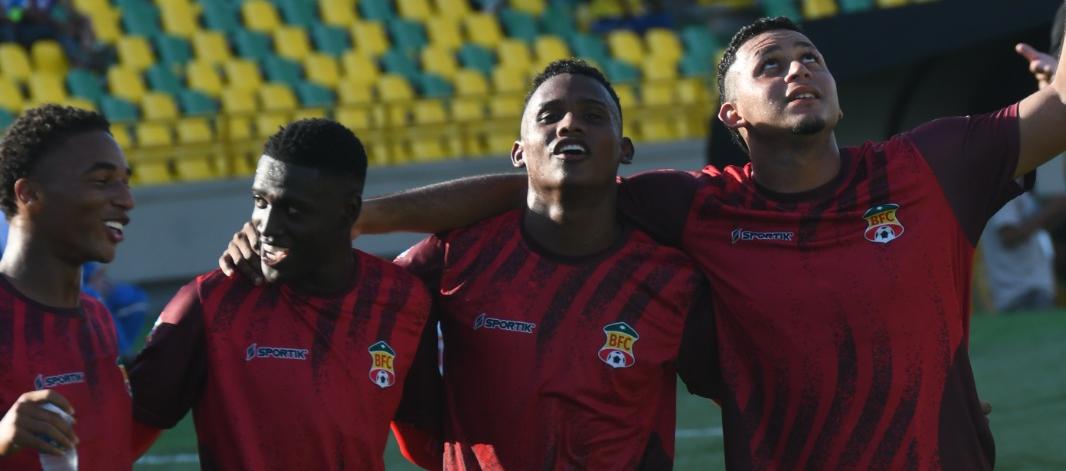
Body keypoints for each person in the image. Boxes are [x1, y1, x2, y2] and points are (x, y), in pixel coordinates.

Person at [229, 16, 1066, 469]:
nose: (798, 69)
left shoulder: (928, 164)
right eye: (770, 63)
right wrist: (359, 218)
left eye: (810, 57)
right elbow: (554, 188)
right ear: (731, 115)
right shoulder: (693, 208)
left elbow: (1059, 113)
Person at [224, 60, 719, 470]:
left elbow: (730, 384)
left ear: (625, 150)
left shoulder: (671, 278)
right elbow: (349, 293)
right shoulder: (453, 257)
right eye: (549, 116)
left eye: (593, 115)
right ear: (518, 153)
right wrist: (271, 243)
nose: (569, 124)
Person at [128, 119, 434, 470]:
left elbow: (428, 444)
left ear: (348, 212)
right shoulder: (210, 303)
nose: (267, 227)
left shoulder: (402, 300)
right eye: (260, 201)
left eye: (293, 209)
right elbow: (114, 444)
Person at [0, 104, 134, 469]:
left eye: (126, 181)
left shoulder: (98, 318)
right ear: (28, 194)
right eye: (103, 181)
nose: (126, 200)